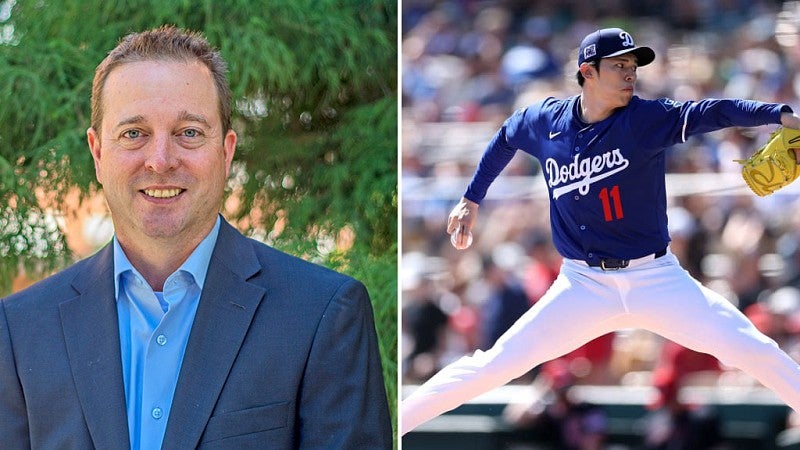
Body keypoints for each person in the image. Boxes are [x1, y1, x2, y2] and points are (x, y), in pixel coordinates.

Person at [0, 26, 392, 449]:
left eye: (188, 132)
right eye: (134, 133)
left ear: (225, 152)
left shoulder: (321, 315)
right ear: (98, 153)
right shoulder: (21, 330)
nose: (161, 160)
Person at [401, 27, 800, 435]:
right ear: (587, 71)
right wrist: (471, 198)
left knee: (754, 350)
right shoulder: (546, 121)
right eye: (619, 65)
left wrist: (778, 115)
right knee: (493, 364)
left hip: (656, 279)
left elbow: (712, 112)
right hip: (583, 284)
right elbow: (506, 135)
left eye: (633, 65)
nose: (631, 73)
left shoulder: (645, 119)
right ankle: (389, 428)